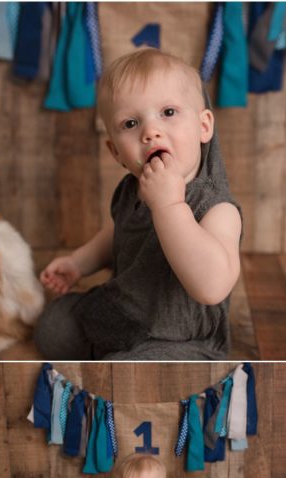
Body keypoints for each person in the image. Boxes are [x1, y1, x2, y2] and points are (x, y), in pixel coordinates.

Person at [36, 48, 242, 360]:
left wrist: (169, 206)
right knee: (53, 328)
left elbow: (211, 288)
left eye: (168, 112)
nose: (150, 132)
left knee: (128, 368)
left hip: (177, 338)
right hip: (123, 312)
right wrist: (79, 263)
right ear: (116, 152)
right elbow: (119, 232)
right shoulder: (133, 188)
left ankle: (117, 359)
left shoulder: (218, 209)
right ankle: (108, 348)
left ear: (203, 127)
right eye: (131, 123)